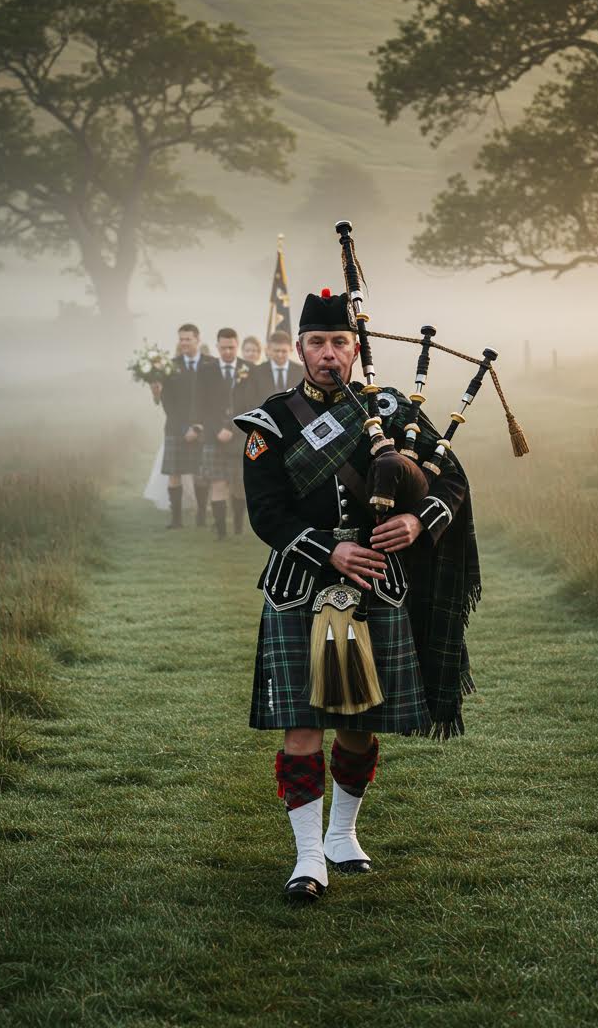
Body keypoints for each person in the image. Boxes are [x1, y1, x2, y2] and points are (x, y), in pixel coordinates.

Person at [233, 290, 480, 904]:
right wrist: (329, 550)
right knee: (301, 725)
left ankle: (343, 836)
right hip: (302, 587)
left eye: (340, 342)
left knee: (360, 725)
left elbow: (452, 478)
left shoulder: (392, 411)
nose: (328, 354)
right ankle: (308, 856)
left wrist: (421, 520)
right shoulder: (274, 420)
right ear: (299, 349)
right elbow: (266, 514)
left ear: (356, 348)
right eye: (316, 343)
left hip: (375, 585)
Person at [153, 323, 216, 529]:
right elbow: (167, 401)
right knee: (174, 473)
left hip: (204, 426)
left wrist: (198, 427)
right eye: (181, 339)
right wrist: (183, 428)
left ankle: (200, 517)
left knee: (201, 472)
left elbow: (216, 399)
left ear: (198, 340)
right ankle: (176, 519)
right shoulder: (171, 366)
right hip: (175, 427)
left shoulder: (211, 364)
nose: (184, 343)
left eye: (188, 339)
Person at [197, 327, 253, 538]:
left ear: (236, 345)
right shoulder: (206, 370)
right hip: (214, 437)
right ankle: (221, 532)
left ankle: (238, 525)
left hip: (240, 437)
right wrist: (216, 429)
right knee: (217, 483)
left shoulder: (249, 369)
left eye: (231, 347)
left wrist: (236, 430)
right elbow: (202, 404)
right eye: (224, 347)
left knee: (239, 486)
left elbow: (253, 403)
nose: (228, 351)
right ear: (217, 346)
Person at [249, 329, 304, 398]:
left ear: (291, 350)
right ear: (269, 350)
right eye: (276, 351)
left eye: (284, 351)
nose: (280, 355)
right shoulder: (256, 372)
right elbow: (252, 399)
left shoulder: (301, 371)